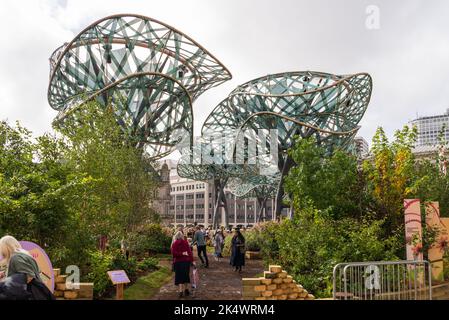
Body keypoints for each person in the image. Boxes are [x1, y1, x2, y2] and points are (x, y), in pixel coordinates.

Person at [0, 236, 54, 300]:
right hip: (37, 290)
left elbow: (28, 276)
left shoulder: (16, 257)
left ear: (6, 248)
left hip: (30, 293)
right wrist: (5, 274)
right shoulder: (24, 254)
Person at [171, 231, 193, 298]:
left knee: (179, 276)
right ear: (182, 236)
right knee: (186, 275)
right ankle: (186, 290)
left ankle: (180, 292)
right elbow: (189, 252)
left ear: (176, 236)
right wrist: (192, 260)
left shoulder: (174, 244)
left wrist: (180, 254)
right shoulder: (185, 243)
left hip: (178, 262)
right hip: (186, 261)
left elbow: (174, 254)